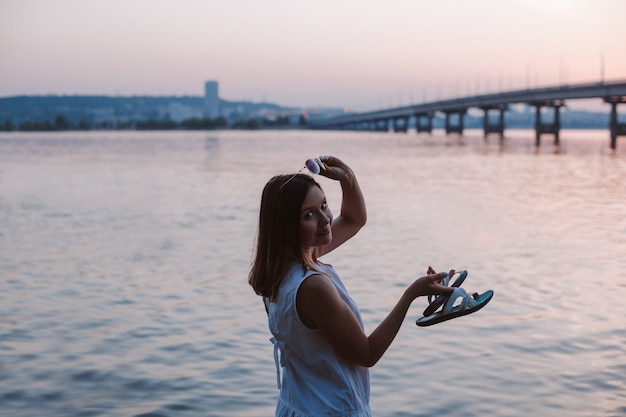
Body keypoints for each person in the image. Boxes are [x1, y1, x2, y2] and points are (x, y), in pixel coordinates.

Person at [248, 155, 453, 417]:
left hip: (297, 406)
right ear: (287, 227)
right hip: (332, 410)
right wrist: (411, 294)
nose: (325, 219)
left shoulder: (280, 270)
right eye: (309, 214)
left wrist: (347, 178)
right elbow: (367, 354)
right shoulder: (313, 287)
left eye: (324, 205)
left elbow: (354, 219)